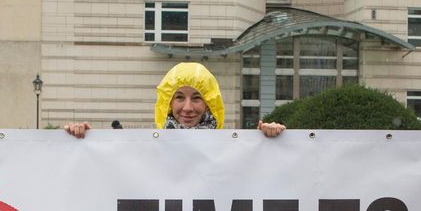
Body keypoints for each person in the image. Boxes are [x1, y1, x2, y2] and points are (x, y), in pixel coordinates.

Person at [64, 62, 285, 138]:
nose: (187, 108)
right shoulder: (145, 149)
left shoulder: (233, 148)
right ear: (168, 103)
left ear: (209, 103)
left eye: (196, 98)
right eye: (179, 97)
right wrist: (82, 139)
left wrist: (269, 141)